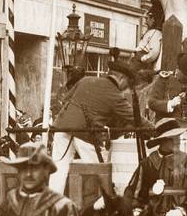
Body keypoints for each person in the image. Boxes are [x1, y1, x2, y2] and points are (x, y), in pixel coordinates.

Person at [50, 57, 142, 195]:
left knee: (58, 171)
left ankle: (51, 207)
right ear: (121, 78)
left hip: (62, 127)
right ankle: (107, 204)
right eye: (127, 84)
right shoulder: (115, 95)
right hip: (84, 132)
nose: (126, 89)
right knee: (100, 170)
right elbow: (135, 118)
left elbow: (65, 99)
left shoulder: (85, 80)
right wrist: (156, 129)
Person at [147, 53, 187, 123]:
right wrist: (170, 104)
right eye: (186, 75)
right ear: (178, 69)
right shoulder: (164, 80)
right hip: (167, 126)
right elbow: (152, 102)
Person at [134, 0, 164, 74]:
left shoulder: (155, 33)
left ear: (153, 19)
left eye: (147, 19)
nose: (146, 22)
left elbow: (154, 52)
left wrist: (142, 58)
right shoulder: (152, 32)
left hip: (140, 64)